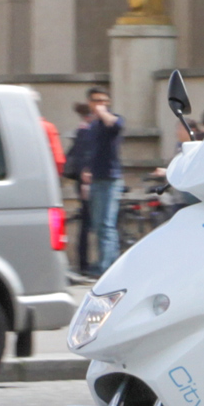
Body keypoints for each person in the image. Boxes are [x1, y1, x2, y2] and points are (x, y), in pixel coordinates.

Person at [79, 88, 125, 277]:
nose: (101, 104)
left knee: (106, 225)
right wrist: (86, 173)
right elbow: (91, 151)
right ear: (89, 103)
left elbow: (116, 126)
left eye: (104, 100)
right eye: (97, 101)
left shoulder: (113, 119)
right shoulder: (92, 126)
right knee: (98, 225)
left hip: (111, 179)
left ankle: (107, 267)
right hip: (96, 180)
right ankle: (106, 265)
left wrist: (103, 113)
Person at [62, 102, 98, 275]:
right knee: (88, 222)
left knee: (87, 222)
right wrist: (85, 184)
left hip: (82, 182)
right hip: (86, 183)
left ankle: (84, 263)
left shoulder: (82, 130)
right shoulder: (86, 131)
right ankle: (84, 264)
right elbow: (85, 160)